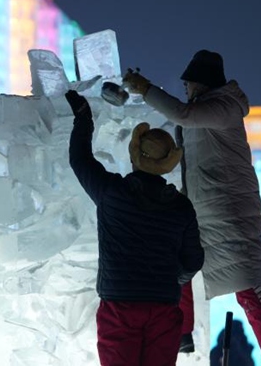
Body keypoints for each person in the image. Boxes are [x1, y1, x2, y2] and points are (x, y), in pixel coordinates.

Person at [122, 50, 261, 366]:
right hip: (205, 211)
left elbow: (182, 115)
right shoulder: (206, 109)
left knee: (251, 291)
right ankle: (182, 335)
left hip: (229, 212)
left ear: (199, 84)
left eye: (187, 84)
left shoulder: (224, 108)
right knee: (181, 264)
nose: (185, 90)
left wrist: (145, 88)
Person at [65, 89, 205, 366]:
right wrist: (168, 280)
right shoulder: (181, 208)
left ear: (135, 157)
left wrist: (84, 118)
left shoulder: (112, 193)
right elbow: (194, 260)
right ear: (166, 166)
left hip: (120, 307)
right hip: (164, 306)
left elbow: (79, 160)